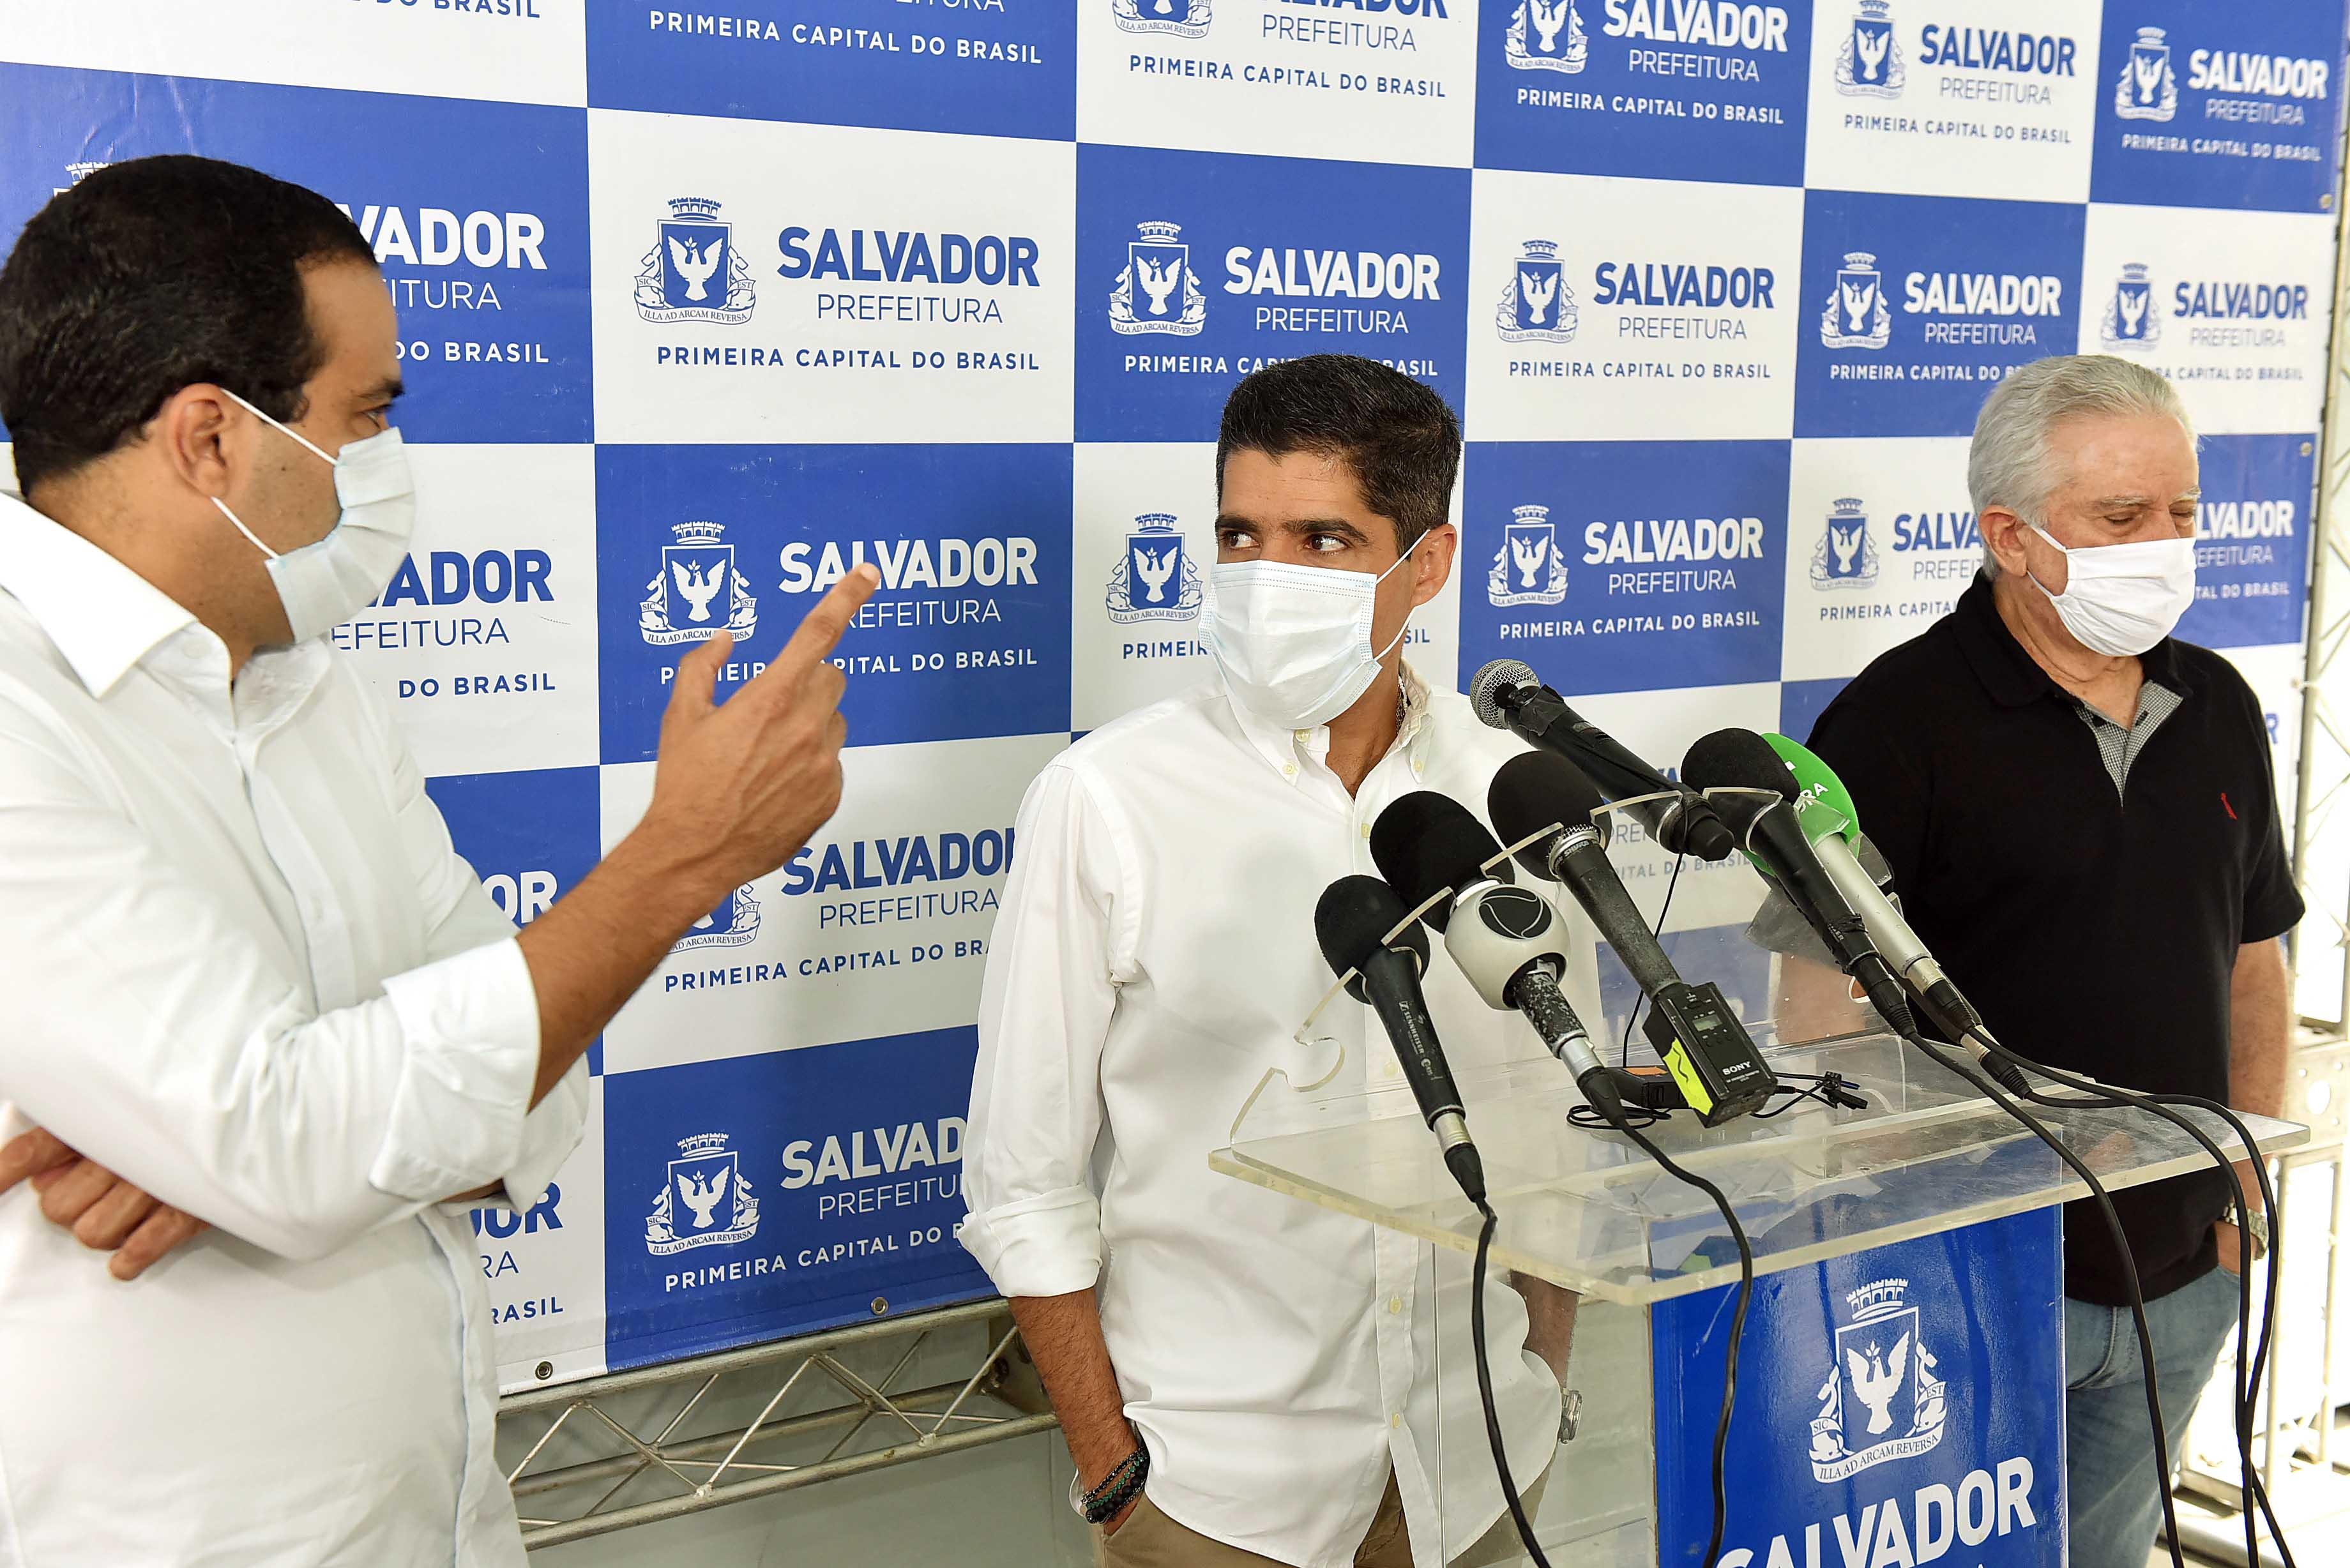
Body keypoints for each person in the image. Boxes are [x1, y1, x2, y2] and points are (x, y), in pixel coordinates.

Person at [0, 155, 876, 1564]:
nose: (388, 466)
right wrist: (677, 860)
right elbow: (292, 1137)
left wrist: (275, 1144)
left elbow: (531, 1100)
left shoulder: (313, 689)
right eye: (369, 416)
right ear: (210, 439)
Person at [959, 356, 1579, 1568]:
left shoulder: (1509, 789)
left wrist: (1544, 1382)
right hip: (1215, 1490)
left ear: (1429, 564)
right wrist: (1114, 1479)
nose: (1263, 578)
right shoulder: (1109, 797)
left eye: (1323, 539)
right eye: (1240, 534)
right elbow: (1022, 1183)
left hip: (1477, 1463)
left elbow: (1556, 1126)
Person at [1800, 354, 2299, 1568]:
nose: (2164, 546)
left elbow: (2252, 966)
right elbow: (1823, 1018)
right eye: (2121, 519)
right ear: (2010, 539)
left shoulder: (2220, 701)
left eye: (2182, 513)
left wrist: (2243, 1187)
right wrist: (1898, 1248)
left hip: (2184, 1269)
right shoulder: (1893, 724)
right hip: (1972, 1288)